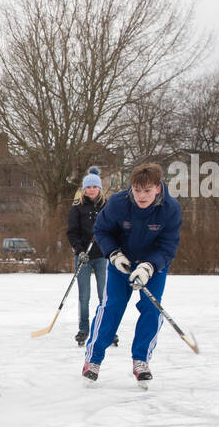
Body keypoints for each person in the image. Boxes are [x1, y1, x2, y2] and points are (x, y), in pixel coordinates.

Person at [82, 162, 182, 388]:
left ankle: (141, 360)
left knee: (151, 308)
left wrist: (148, 267)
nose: (141, 196)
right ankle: (93, 359)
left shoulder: (170, 208)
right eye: (137, 190)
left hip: (154, 267)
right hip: (122, 263)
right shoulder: (119, 203)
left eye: (147, 191)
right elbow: (102, 230)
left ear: (158, 188)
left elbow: (168, 247)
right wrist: (114, 254)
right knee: (112, 306)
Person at [67, 166, 111, 347]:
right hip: (83, 257)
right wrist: (79, 250)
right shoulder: (77, 208)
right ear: (84, 189)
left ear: (99, 188)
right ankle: (83, 329)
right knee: (84, 296)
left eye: (94, 187)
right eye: (88, 187)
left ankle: (108, 329)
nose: (91, 190)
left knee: (105, 295)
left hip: (102, 256)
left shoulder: (107, 207)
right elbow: (72, 232)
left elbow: (113, 230)